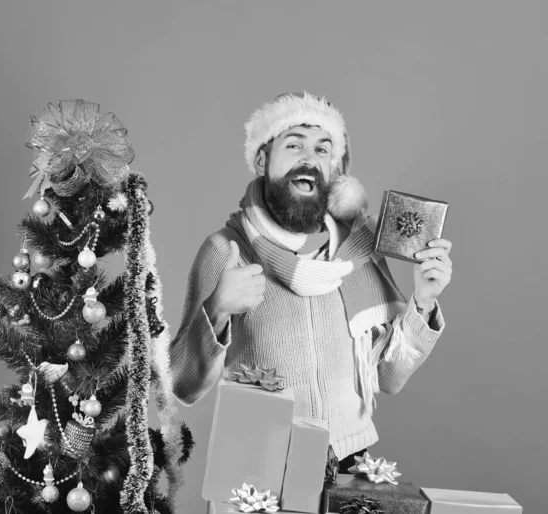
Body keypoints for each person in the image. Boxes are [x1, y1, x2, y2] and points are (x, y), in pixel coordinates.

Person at [169, 92, 453, 472]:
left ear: (333, 168)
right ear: (261, 159)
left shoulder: (357, 247)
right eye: (293, 145)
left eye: (322, 150)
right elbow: (181, 384)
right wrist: (217, 309)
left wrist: (424, 302)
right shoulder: (226, 250)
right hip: (261, 466)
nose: (309, 159)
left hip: (349, 465)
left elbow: (389, 377)